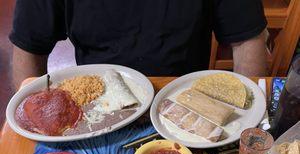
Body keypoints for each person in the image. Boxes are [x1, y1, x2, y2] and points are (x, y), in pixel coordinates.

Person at [10, 0, 267, 89]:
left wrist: (247, 131)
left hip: (184, 96)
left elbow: (247, 40)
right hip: (95, 100)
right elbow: (28, 46)